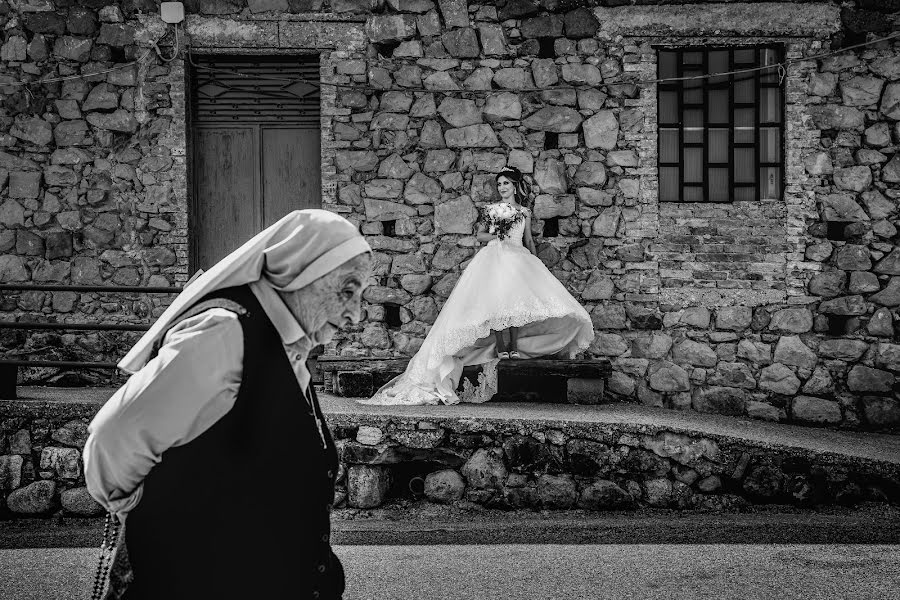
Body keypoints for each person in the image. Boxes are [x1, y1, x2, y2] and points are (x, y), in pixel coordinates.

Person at [83, 210, 373, 600]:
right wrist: (148, 516)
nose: (355, 314)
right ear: (301, 271)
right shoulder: (224, 334)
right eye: (348, 290)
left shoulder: (289, 348)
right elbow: (112, 438)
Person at [361, 166, 594, 406]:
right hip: (494, 258)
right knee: (496, 305)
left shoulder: (524, 212)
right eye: (499, 184)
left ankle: (514, 348)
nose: (502, 188)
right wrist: (497, 235)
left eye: (506, 183)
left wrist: (536, 261)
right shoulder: (491, 210)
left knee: (515, 305)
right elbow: (480, 236)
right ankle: (502, 348)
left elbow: (528, 240)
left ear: (515, 185)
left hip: (519, 259)